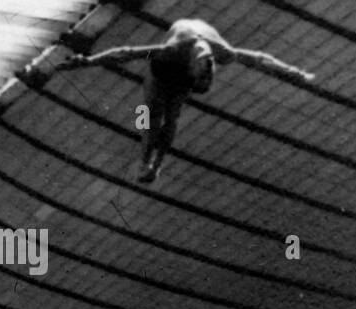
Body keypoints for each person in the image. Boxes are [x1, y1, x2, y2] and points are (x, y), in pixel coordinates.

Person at [68, 17, 316, 184]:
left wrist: (296, 73)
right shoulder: (173, 49)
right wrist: (88, 61)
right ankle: (145, 161)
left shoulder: (221, 53)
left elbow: (262, 59)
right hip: (161, 71)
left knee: (172, 118)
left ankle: (155, 164)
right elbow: (126, 53)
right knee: (153, 118)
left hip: (185, 71)